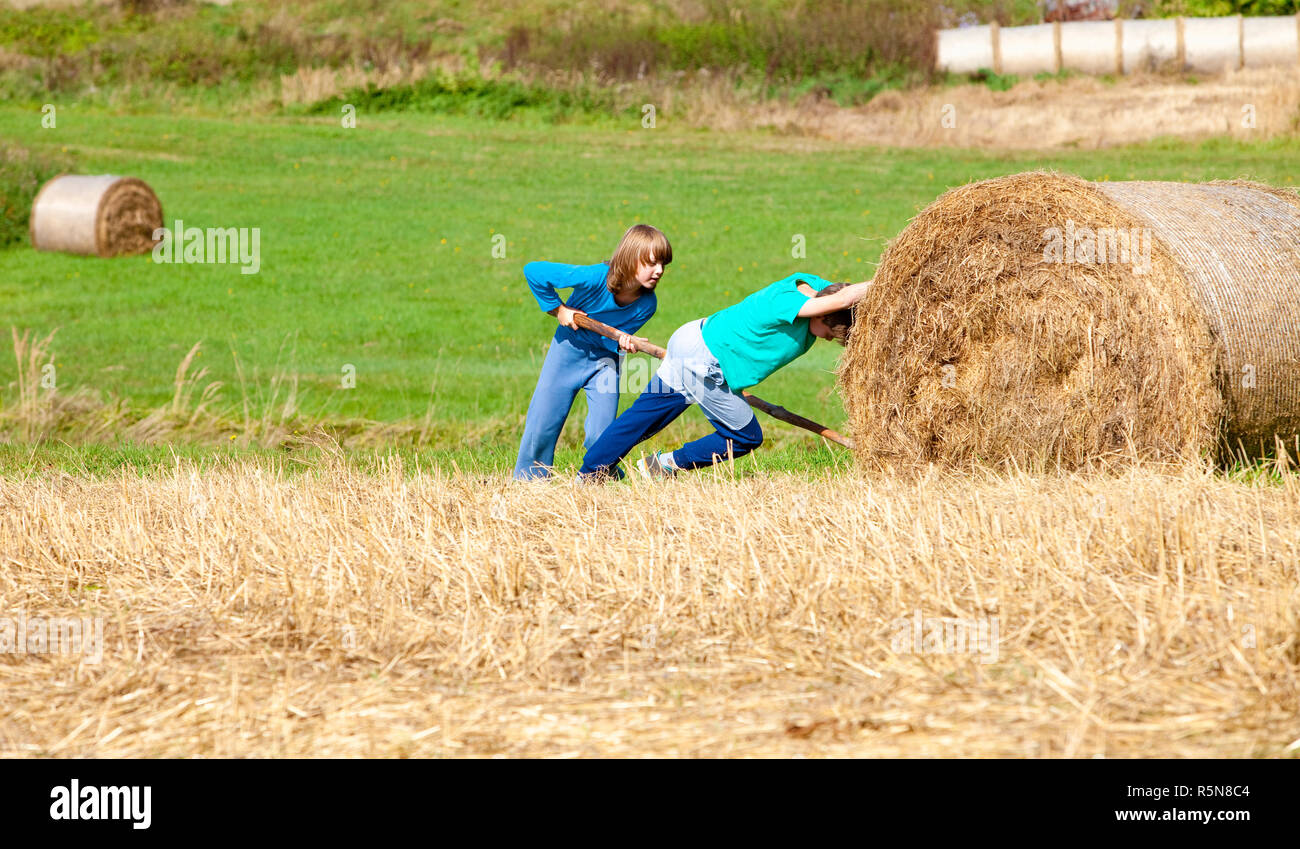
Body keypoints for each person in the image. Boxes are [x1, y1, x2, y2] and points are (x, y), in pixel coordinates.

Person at [578, 273, 869, 480]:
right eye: (830, 334)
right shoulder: (790, 305)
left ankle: (588, 475)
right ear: (821, 314)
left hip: (692, 340)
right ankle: (663, 466)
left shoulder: (815, 286)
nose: (829, 339)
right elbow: (844, 296)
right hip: (705, 363)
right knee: (745, 436)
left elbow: (840, 295)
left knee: (642, 418)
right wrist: (893, 278)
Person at [513, 224, 672, 480]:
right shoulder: (596, 278)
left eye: (664, 264)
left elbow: (611, 339)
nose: (660, 271)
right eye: (653, 263)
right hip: (567, 354)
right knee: (543, 424)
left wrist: (622, 342)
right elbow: (534, 271)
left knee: (603, 432)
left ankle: (599, 474)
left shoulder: (647, 304)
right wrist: (559, 310)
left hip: (605, 363)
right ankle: (530, 481)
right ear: (631, 259)